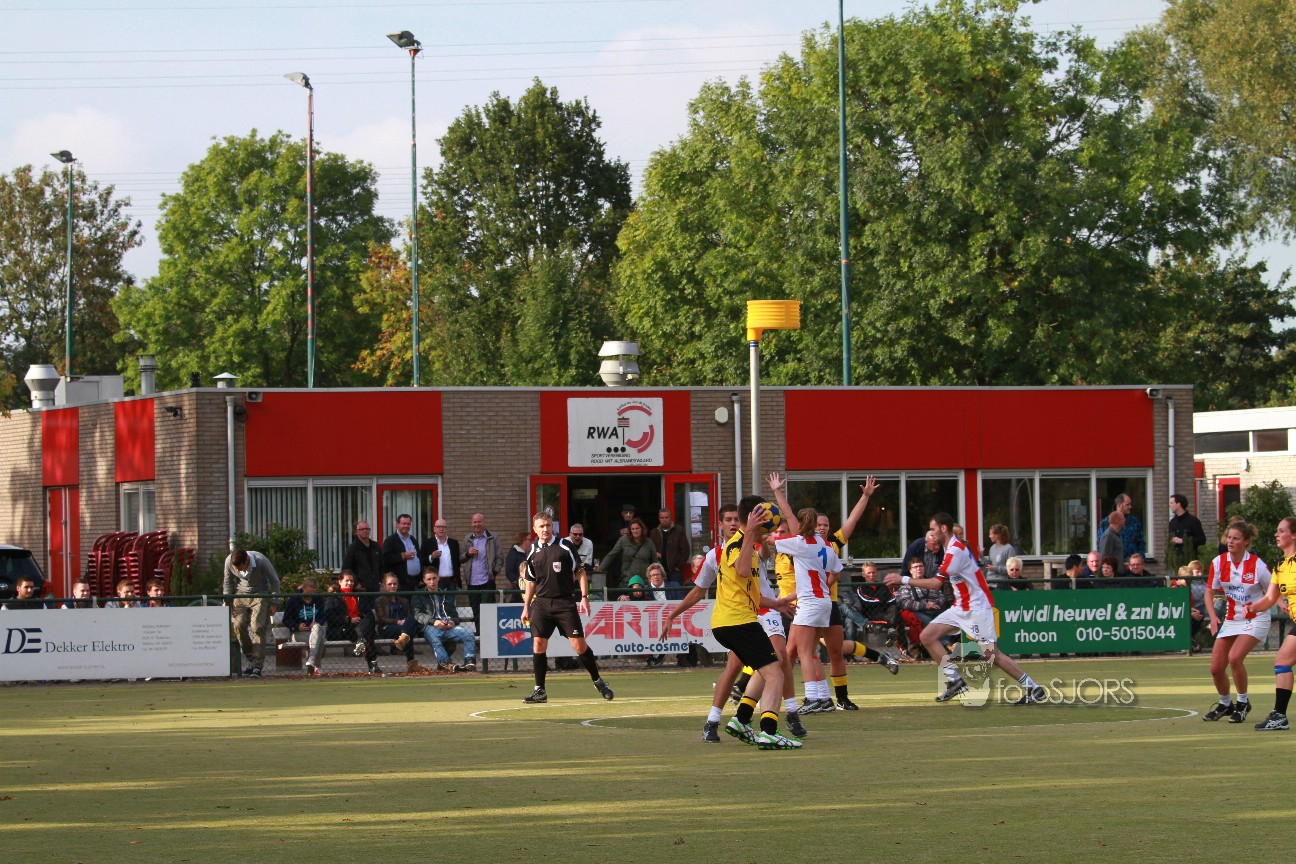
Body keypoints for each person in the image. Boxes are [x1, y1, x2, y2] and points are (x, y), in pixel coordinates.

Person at [672, 491, 800, 749]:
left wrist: (776, 603)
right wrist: (750, 532)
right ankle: (768, 732)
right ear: (754, 517)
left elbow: (747, 589)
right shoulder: (737, 544)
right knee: (775, 673)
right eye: (764, 515)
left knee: (771, 665)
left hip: (735, 621)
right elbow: (741, 571)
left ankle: (741, 720)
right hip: (737, 622)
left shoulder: (748, 545)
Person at [884, 511, 1046, 704]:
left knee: (991, 654)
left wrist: (902, 579)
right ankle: (955, 681)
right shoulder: (950, 548)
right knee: (927, 636)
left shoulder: (955, 551)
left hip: (976, 608)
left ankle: (1034, 689)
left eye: (933, 529)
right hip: (961, 607)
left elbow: (935, 583)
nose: (931, 534)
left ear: (944, 528)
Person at [662, 503, 748, 742]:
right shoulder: (715, 555)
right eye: (728, 519)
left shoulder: (753, 546)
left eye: (737, 519)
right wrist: (673, 614)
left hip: (760, 613)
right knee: (767, 665)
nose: (733, 523)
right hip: (737, 618)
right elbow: (698, 591)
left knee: (760, 664)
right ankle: (735, 721)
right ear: (720, 525)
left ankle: (720, 721)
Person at [800, 475, 886, 710]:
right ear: (810, 526)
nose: (823, 528)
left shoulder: (833, 544)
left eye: (826, 525)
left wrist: (865, 496)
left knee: (836, 651)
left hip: (829, 604)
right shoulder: (802, 545)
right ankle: (813, 697)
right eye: (819, 525)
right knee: (805, 652)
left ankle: (841, 698)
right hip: (808, 603)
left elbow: (852, 520)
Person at [520, 512, 613, 703]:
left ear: (552, 527)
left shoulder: (564, 546)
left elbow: (580, 572)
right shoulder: (531, 551)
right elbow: (530, 582)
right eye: (541, 526)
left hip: (564, 603)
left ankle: (598, 681)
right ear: (535, 529)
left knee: (579, 645)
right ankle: (540, 690)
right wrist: (525, 607)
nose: (545, 529)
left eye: (548, 525)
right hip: (542, 603)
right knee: (538, 643)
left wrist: (584, 597)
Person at [1200, 519, 1272, 724]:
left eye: (1236, 538)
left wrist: (1282, 605)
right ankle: (1225, 704)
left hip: (1256, 617)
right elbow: (1209, 592)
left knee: (1234, 657)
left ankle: (1242, 703)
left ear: (1246, 541)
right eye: (1229, 537)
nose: (1230, 541)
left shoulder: (1257, 565)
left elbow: (1273, 590)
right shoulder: (1218, 562)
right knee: (1216, 668)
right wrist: (1213, 616)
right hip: (1232, 618)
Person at [776, 504, 844, 716]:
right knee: (810, 653)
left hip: (809, 603)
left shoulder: (800, 543)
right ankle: (824, 697)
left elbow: (770, 540)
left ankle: (811, 698)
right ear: (815, 524)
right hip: (824, 601)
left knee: (803, 653)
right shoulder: (826, 545)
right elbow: (837, 571)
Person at [1246, 517, 1296, 731]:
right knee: (1282, 662)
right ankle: (1279, 716)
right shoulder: (1280, 566)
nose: (1276, 534)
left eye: (1281, 531)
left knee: (1282, 661)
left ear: (1293, 535)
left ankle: (1279, 716)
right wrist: (1252, 608)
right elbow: (1269, 598)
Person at [223, 548, 281, 677]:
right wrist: (227, 600)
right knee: (238, 625)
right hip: (241, 594)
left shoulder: (261, 560)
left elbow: (275, 581)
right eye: (236, 568)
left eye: (240, 568)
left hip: (260, 593)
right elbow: (227, 581)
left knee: (257, 627)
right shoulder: (229, 561)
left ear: (247, 560)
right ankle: (251, 660)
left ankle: (257, 666)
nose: (238, 571)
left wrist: (274, 602)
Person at [413, 568, 477, 672]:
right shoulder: (419, 595)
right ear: (424, 580)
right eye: (429, 579)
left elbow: (454, 614)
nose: (432, 581)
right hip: (430, 627)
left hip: (448, 627)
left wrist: (453, 622)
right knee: (436, 640)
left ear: (438, 578)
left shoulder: (445, 594)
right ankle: (445, 663)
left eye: (434, 578)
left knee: (469, 635)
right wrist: (434, 621)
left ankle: (469, 661)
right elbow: (417, 614)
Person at [319, 570, 381, 676]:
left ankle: (361, 641)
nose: (350, 583)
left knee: (368, 622)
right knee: (367, 636)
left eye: (351, 581)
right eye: (347, 580)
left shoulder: (358, 595)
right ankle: (373, 665)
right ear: (340, 581)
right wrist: (348, 619)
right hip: (341, 629)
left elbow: (368, 613)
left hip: (359, 626)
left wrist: (359, 618)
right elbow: (329, 616)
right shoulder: (333, 597)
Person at [462, 512, 504, 634]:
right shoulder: (467, 539)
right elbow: (461, 558)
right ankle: (479, 637)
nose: (477, 524)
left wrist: (494, 573)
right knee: (475, 611)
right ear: (472, 523)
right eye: (474, 522)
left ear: (483, 522)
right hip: (472, 581)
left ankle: (488, 637)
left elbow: (500, 557)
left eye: (479, 521)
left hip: (487, 580)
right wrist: (468, 553)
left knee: (488, 610)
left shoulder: (493, 538)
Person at [374, 573, 423, 673]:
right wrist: (397, 621)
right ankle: (411, 662)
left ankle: (403, 639)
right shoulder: (379, 601)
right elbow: (382, 618)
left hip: (404, 626)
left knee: (410, 621)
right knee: (407, 632)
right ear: (384, 585)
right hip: (387, 627)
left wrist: (404, 622)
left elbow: (409, 616)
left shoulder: (404, 600)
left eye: (395, 584)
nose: (392, 586)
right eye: (390, 584)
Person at [282, 576, 325, 676]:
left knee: (317, 628)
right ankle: (316, 666)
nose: (310, 595)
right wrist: (297, 626)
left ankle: (311, 660)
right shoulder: (294, 599)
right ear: (303, 588)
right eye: (308, 592)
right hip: (298, 633)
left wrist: (316, 622)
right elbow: (286, 620)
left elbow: (323, 617)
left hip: (314, 631)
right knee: (321, 639)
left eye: (313, 593)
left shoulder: (319, 600)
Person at [600, 518, 656, 588]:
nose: (635, 531)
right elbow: (611, 555)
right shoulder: (623, 540)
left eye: (637, 528)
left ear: (642, 529)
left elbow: (655, 562)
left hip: (644, 580)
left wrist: (657, 577)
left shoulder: (649, 542)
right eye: (633, 529)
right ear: (630, 530)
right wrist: (600, 568)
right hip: (628, 579)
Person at [418, 518, 462, 595]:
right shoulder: (427, 543)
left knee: (451, 602)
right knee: (437, 601)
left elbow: (457, 562)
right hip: (436, 582)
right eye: (438, 527)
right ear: (434, 529)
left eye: (443, 527)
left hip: (451, 581)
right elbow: (421, 561)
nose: (441, 529)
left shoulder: (454, 543)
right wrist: (431, 557)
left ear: (446, 529)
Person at [382, 514, 423, 592]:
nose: (406, 526)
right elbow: (386, 558)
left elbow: (419, 558)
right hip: (401, 584)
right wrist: (403, 556)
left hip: (416, 582)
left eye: (408, 524)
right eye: (403, 523)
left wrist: (421, 577)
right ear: (397, 524)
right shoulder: (390, 540)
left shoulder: (413, 539)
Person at [650, 507, 691, 585]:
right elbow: (650, 549)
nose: (664, 520)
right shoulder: (654, 532)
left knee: (676, 590)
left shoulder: (678, 530)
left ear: (670, 517)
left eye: (666, 517)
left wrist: (678, 566)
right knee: (661, 591)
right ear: (659, 518)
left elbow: (685, 550)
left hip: (674, 571)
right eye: (662, 518)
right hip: (659, 570)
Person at [341, 519, 384, 593]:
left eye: (367, 529)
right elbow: (346, 569)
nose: (365, 531)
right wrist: (356, 583)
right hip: (361, 589)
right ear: (357, 531)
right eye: (362, 529)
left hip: (376, 588)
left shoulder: (376, 546)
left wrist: (381, 581)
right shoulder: (353, 548)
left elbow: (382, 565)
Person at [1168, 493, 1207, 571]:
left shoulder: (1193, 521)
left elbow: (1202, 539)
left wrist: (1184, 540)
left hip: (1189, 561)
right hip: (1175, 562)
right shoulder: (1172, 522)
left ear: (1178, 504)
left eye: (1172, 503)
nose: (1170, 505)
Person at [1098, 493, 1145, 558]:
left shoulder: (1134, 522)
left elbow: (1141, 543)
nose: (1130, 507)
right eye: (1127, 504)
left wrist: (1140, 559)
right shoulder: (1106, 523)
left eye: (1130, 504)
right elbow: (1101, 545)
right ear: (1119, 505)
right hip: (1115, 562)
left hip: (1132, 562)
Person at [503, 530, 530, 603]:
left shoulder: (525, 554)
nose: (530, 542)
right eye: (529, 539)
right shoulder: (513, 554)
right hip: (517, 591)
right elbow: (509, 572)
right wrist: (519, 583)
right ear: (523, 541)